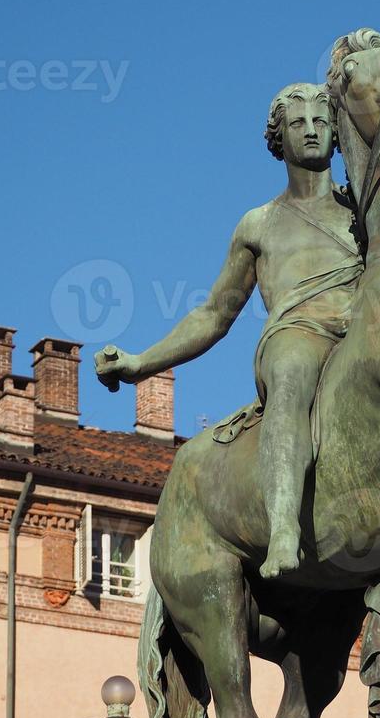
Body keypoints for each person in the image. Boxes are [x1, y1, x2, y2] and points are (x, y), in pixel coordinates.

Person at [95, 83, 362, 579]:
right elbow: (214, 315)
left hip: (364, 331)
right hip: (299, 334)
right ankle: (284, 525)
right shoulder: (258, 225)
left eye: (322, 122)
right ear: (278, 137)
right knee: (292, 370)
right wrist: (140, 362)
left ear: (338, 134)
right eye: (299, 122)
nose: (312, 130)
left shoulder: (361, 212)